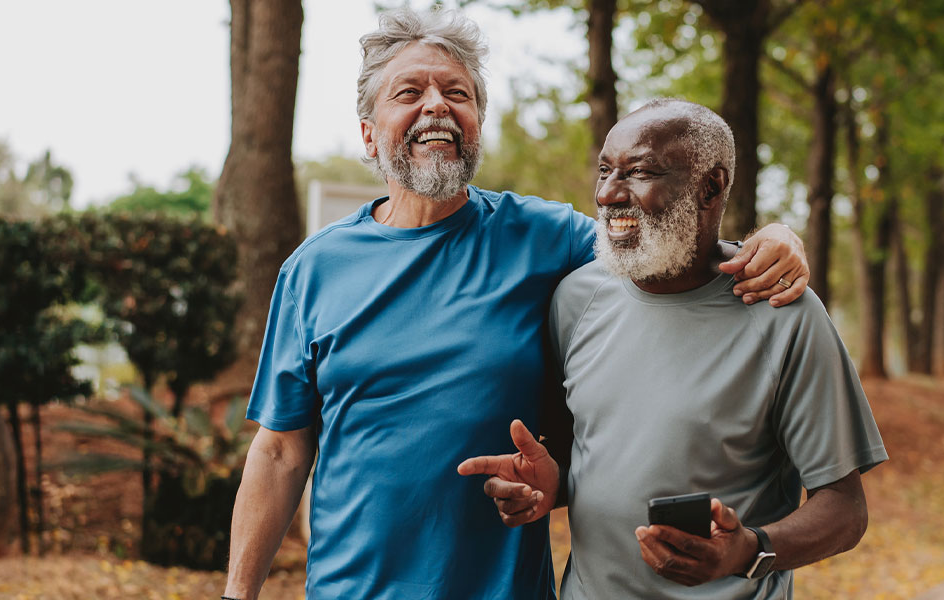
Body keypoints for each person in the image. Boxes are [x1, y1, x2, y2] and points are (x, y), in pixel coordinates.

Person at [221, 8, 812, 600]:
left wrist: (773, 236)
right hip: (351, 589)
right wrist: (238, 593)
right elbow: (279, 450)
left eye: (459, 93)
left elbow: (664, 246)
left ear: (476, 123)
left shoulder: (545, 236)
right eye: (410, 91)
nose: (437, 105)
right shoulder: (314, 268)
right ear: (369, 133)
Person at [459, 99, 887, 599]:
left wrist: (750, 550)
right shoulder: (576, 299)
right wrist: (544, 485)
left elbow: (845, 509)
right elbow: (580, 453)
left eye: (639, 172)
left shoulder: (783, 313)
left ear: (710, 187)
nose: (609, 193)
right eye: (604, 170)